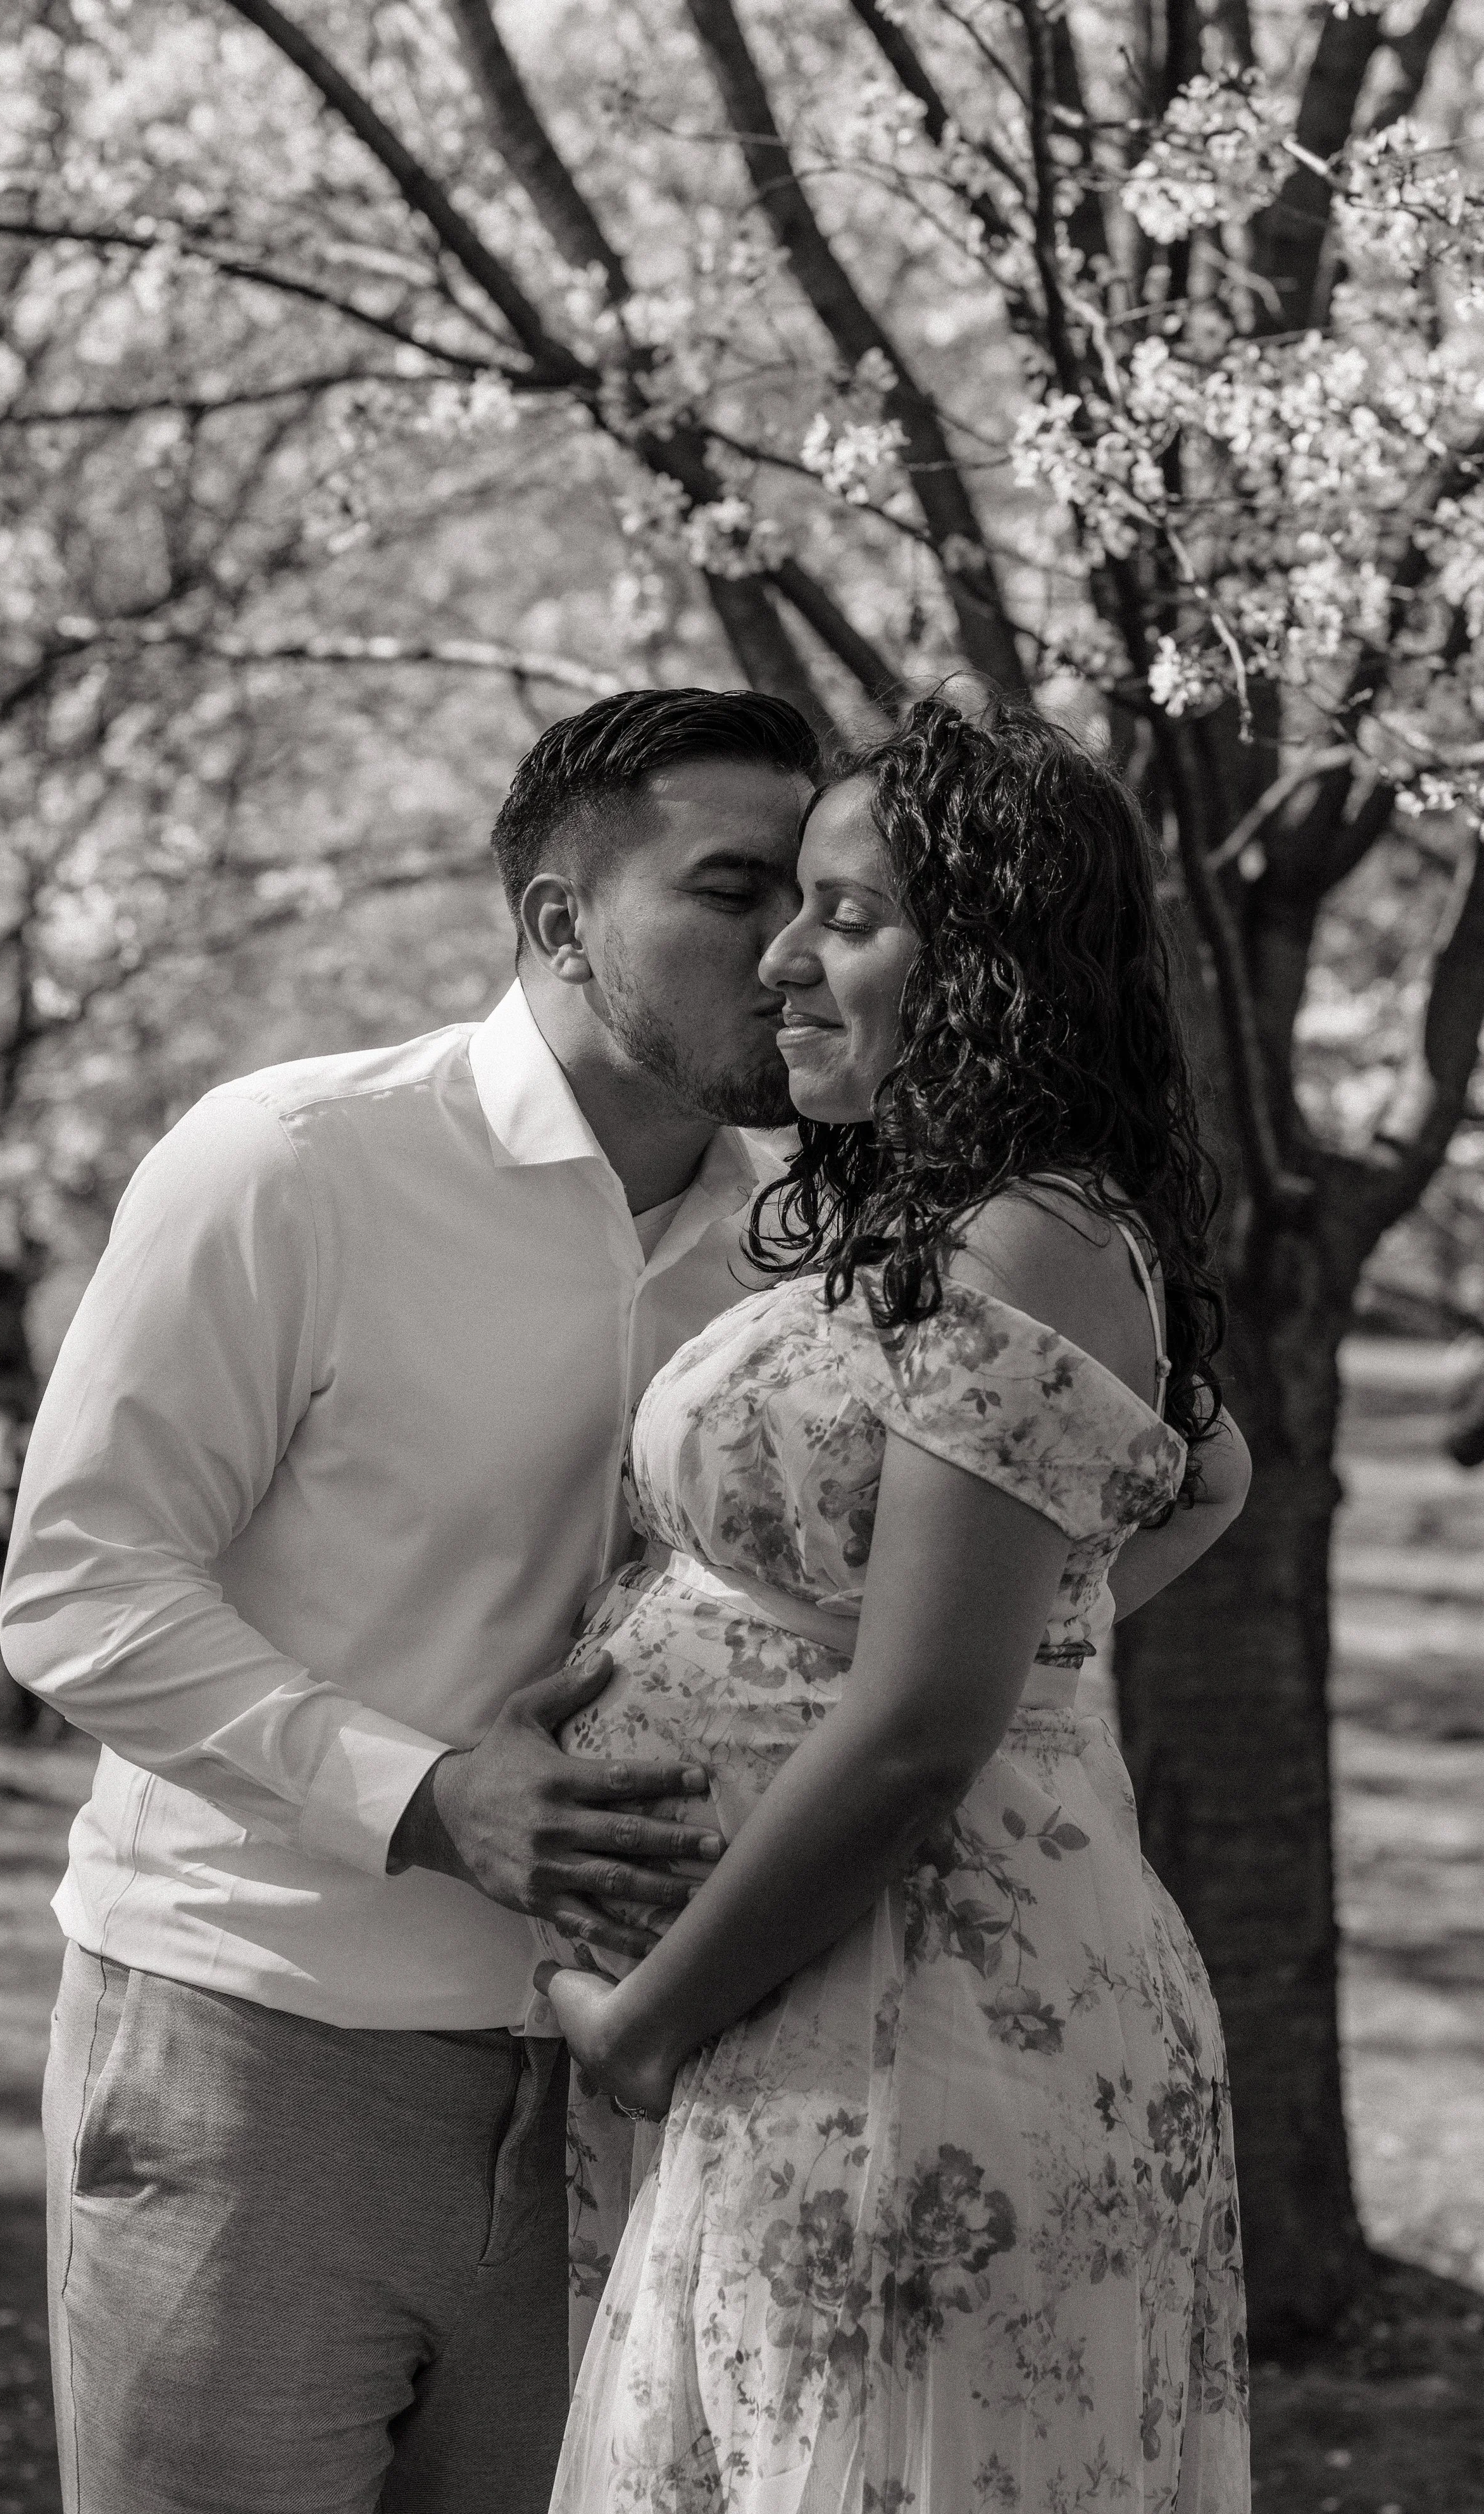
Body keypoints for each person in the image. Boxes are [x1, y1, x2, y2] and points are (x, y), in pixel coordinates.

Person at [0, 687, 821, 2514]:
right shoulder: (291, 1160)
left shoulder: (811, 1248)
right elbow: (79, 1583)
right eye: (732, 887)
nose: (790, 948)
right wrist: (425, 1796)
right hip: (262, 2054)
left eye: (819, 892)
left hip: (653, 2082)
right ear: (552, 920)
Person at [536, 695, 1254, 2512]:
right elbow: (1201, 1474)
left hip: (922, 2023)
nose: (782, 955)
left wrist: (642, 2022)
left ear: (992, 961)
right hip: (834, 2003)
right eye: (786, 905)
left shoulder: (1027, 1239)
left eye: (846, 917)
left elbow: (927, 1722)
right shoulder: (932, 1227)